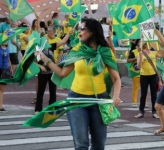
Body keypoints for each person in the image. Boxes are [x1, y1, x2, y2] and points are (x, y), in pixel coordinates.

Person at [37, 18, 121, 149]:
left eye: (82, 28)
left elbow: (116, 78)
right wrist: (45, 60)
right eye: (79, 29)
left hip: (99, 102)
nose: (79, 31)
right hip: (76, 100)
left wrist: (116, 96)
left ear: (92, 31)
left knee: (99, 145)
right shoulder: (77, 50)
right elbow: (62, 72)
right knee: (81, 144)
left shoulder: (105, 51)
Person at [35, 28, 72, 114]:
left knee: (53, 91)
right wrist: (40, 66)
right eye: (44, 39)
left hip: (51, 72)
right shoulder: (37, 49)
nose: (46, 40)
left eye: (46, 39)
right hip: (43, 72)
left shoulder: (51, 47)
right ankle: (38, 109)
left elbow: (62, 42)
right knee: (41, 91)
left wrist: (69, 33)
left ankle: (52, 108)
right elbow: (32, 62)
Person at [134, 40, 163, 119]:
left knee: (154, 94)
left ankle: (154, 111)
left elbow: (162, 55)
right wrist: (139, 57)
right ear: (145, 44)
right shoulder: (139, 54)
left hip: (153, 75)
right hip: (144, 76)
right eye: (148, 43)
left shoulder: (153, 52)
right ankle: (141, 111)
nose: (150, 44)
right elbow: (139, 67)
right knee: (143, 94)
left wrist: (156, 46)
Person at [127, 39, 140, 108]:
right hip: (135, 72)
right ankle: (134, 102)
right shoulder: (134, 52)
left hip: (144, 72)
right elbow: (128, 60)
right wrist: (135, 58)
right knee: (136, 87)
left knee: (145, 88)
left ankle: (145, 102)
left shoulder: (146, 51)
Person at [0, 42, 10, 112]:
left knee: (2, 89)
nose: (5, 41)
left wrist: (11, 69)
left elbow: (8, 59)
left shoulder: (7, 49)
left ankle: (0, 106)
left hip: (5, 70)